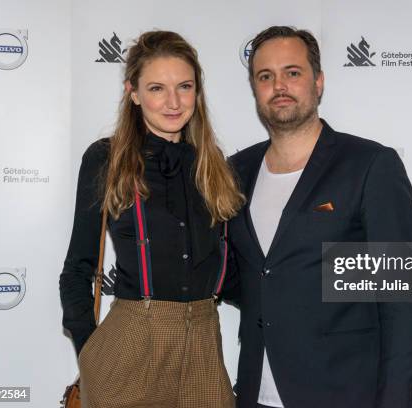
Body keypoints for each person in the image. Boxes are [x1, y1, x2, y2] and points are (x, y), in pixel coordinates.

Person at [227, 26, 412, 407]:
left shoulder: (370, 165)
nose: (279, 85)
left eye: (293, 72)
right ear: (255, 88)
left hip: (344, 394)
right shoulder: (236, 171)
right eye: (265, 76)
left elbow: (402, 299)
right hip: (255, 394)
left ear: (318, 82)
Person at [59, 30, 244, 408]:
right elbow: (78, 268)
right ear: (134, 92)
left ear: (198, 92)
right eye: (157, 88)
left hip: (205, 343)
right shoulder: (107, 159)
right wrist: (89, 353)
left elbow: (233, 269)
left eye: (185, 86)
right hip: (131, 343)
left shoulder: (216, 167)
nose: (173, 102)